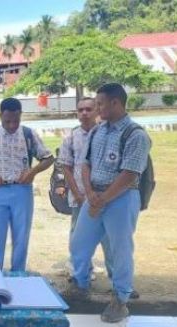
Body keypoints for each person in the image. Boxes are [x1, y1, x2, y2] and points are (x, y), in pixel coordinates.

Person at [68, 83, 151, 323]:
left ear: (116, 103)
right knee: (79, 244)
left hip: (122, 199)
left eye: (101, 103)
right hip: (94, 197)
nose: (97, 108)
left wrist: (102, 199)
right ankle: (80, 285)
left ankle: (121, 299)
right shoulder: (97, 131)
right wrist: (91, 193)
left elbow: (130, 174)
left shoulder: (135, 134)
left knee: (120, 249)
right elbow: (85, 164)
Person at [0, 97, 53, 271]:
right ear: (0, 115)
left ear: (21, 116)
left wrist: (32, 172)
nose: (11, 125)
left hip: (22, 191)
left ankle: (18, 274)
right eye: (7, 121)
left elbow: (48, 158)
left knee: (21, 237)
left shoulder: (28, 134)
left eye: (16, 121)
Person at [58, 98, 114, 280]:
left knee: (110, 239)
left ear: (97, 110)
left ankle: (115, 277)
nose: (84, 113)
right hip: (80, 198)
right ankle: (79, 274)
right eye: (80, 110)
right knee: (79, 238)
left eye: (88, 109)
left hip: (106, 197)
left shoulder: (108, 134)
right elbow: (66, 166)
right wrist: (77, 194)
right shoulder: (71, 137)